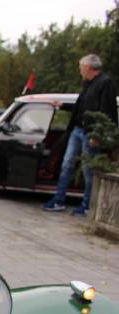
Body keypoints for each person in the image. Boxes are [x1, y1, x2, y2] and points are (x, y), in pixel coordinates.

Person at [43, 54, 118, 215]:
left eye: (81, 67)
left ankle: (87, 205)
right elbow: (82, 107)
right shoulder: (87, 84)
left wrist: (97, 135)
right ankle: (58, 200)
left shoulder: (106, 84)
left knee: (88, 169)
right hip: (77, 130)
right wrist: (63, 106)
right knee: (67, 164)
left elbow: (106, 111)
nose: (80, 71)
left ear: (89, 68)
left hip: (90, 133)